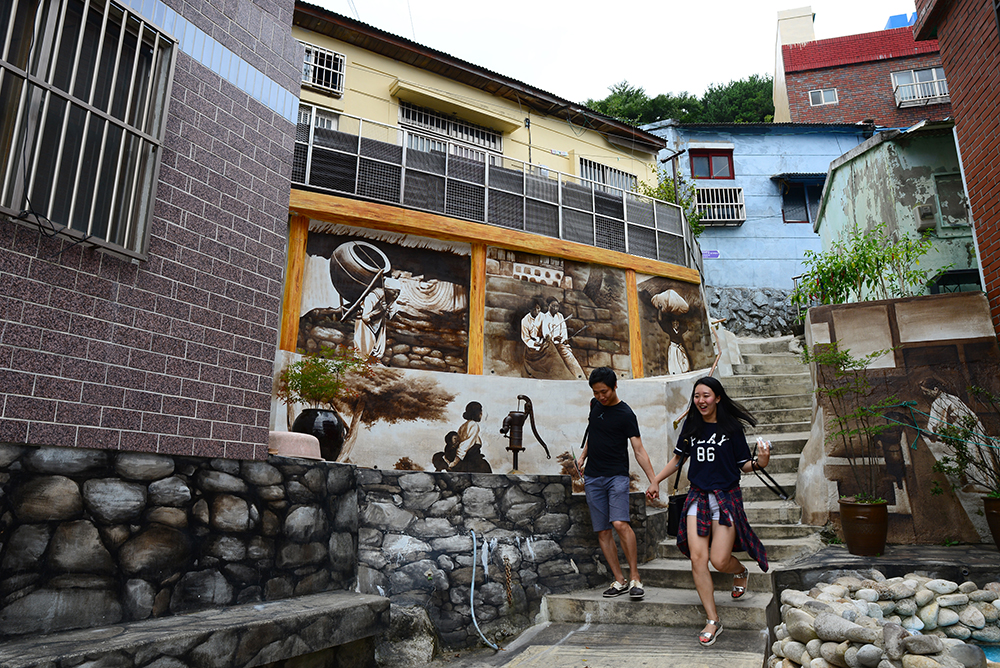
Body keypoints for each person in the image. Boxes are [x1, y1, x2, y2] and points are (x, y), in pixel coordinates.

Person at [646, 376, 770, 647]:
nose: (701, 401)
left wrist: (760, 462)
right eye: (697, 396)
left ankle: (740, 572)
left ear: (718, 398)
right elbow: (678, 459)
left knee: (719, 561)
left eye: (706, 396)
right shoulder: (691, 425)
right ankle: (713, 619)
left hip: (726, 497)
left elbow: (743, 465)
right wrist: (656, 480)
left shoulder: (732, 428)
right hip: (698, 497)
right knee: (698, 559)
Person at [576, 367, 657, 601]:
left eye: (604, 392)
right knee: (603, 530)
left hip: (616, 476)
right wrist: (582, 457)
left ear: (615, 387)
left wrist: (653, 480)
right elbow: (593, 434)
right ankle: (619, 579)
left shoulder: (626, 414)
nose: (601, 396)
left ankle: (635, 578)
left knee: (620, 523)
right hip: (593, 477)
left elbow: (639, 450)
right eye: (596, 392)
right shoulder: (594, 405)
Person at [354, 277, 402, 360]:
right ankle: (361, 359)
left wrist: (385, 312)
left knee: (379, 341)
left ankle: (375, 358)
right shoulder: (373, 296)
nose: (396, 295)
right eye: (394, 292)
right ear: (386, 290)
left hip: (379, 322)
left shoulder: (391, 301)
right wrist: (379, 311)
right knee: (365, 341)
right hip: (365, 323)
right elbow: (365, 317)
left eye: (398, 293)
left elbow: (390, 315)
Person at [538, 297, 586, 379]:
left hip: (560, 343)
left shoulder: (560, 316)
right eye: (553, 306)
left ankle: (580, 377)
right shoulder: (544, 317)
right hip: (550, 344)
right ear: (548, 306)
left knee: (568, 355)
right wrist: (553, 338)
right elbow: (545, 333)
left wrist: (563, 340)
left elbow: (563, 330)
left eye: (557, 306)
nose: (555, 308)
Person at [450, 402, 492, 473]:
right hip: (472, 462)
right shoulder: (473, 425)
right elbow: (466, 444)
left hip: (465, 460)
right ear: (476, 413)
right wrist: (455, 461)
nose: (481, 414)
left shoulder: (463, 426)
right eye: (480, 412)